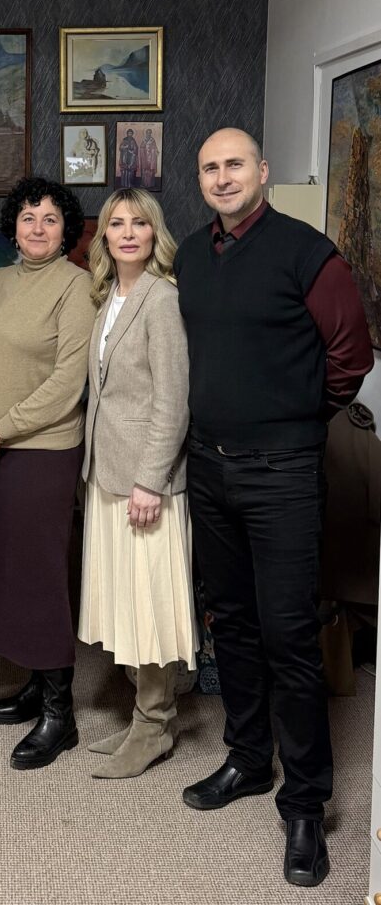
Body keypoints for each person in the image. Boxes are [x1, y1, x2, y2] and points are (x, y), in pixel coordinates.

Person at [173, 128, 373, 887]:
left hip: (281, 473)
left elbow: (350, 358)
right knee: (230, 621)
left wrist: (293, 418)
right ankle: (249, 758)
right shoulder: (192, 257)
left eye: (234, 164)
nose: (222, 177)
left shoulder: (308, 253)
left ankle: (306, 804)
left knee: (288, 634)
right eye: (209, 168)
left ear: (261, 171)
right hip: (208, 467)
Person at [0, 176, 95, 770]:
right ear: (12, 227)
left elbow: (69, 381)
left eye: (50, 218)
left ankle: (59, 712)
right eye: (27, 217)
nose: (38, 228)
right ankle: (35, 681)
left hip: (42, 449)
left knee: (40, 575)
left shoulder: (76, 286)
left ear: (66, 229)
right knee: (6, 570)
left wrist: (2, 425)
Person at [78, 188, 197, 779]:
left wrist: (151, 480)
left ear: (155, 234)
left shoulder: (162, 299)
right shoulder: (109, 298)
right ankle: (144, 720)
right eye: (117, 223)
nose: (128, 233)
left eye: (139, 223)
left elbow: (173, 400)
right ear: (104, 234)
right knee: (126, 599)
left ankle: (154, 726)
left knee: (150, 604)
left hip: (146, 482)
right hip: (108, 474)